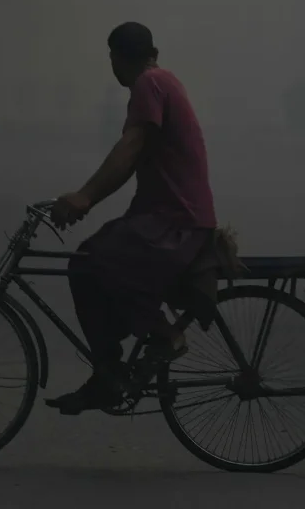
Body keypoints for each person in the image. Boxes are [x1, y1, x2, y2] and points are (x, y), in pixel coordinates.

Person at [45, 22, 218, 415]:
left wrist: (84, 196)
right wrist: (87, 198)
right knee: (87, 269)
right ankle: (107, 375)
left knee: (99, 259)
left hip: (177, 221)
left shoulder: (148, 84)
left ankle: (165, 335)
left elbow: (130, 147)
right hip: (168, 217)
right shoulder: (163, 81)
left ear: (117, 58)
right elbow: (134, 156)